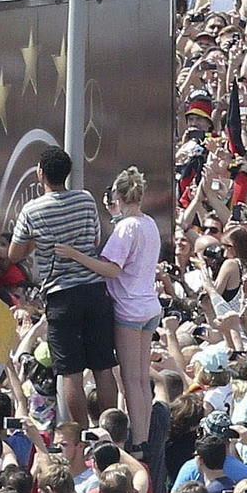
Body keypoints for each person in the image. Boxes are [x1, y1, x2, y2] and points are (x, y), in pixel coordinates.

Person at [8, 145, 117, 425]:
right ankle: (110, 430)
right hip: (94, 290)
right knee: (104, 367)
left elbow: (14, 255)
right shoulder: (85, 199)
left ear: (40, 174)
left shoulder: (32, 210)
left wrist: (38, 241)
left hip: (61, 295)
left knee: (70, 372)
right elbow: (94, 240)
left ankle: (80, 435)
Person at [56, 166, 161, 449]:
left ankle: (138, 441)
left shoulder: (126, 227)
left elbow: (111, 269)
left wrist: (75, 255)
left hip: (129, 309)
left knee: (131, 381)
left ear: (118, 195)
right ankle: (145, 438)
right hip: (149, 305)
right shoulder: (148, 223)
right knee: (140, 380)